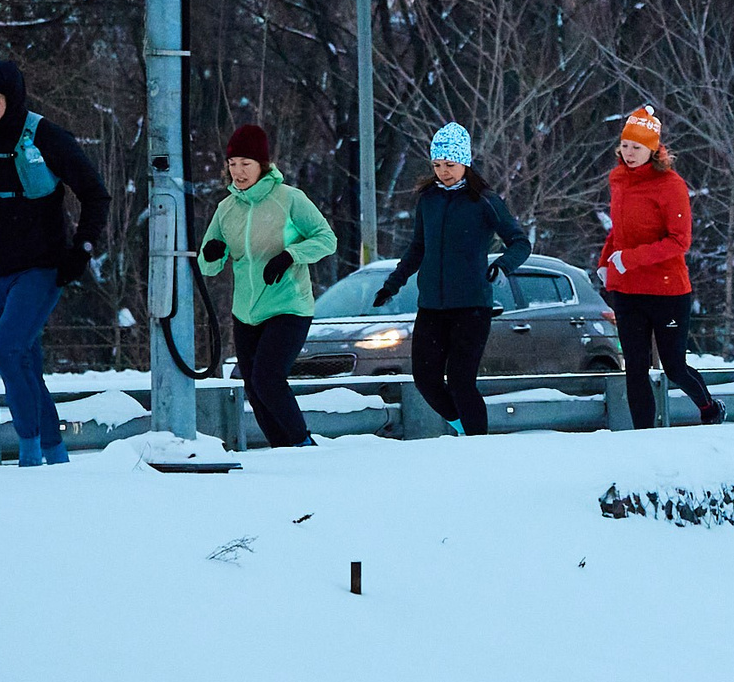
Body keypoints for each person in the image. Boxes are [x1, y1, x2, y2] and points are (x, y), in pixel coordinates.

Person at [0, 60, 111, 465]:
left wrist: (81, 250)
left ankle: (28, 456)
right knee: (25, 360)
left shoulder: (45, 136)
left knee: (7, 352)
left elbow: (95, 194)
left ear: (12, 96)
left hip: (41, 267)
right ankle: (55, 452)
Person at [373, 121, 531, 435]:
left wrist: (501, 267)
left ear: (465, 163)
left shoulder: (484, 201)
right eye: (437, 165)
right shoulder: (429, 200)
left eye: (450, 164)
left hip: (472, 306)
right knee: (425, 379)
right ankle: (463, 428)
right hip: (432, 306)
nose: (443, 171)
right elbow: (418, 248)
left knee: (461, 381)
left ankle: (478, 444)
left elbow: (521, 242)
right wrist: (393, 283)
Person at [196, 124, 335, 447]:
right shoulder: (226, 209)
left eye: (246, 164)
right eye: (232, 164)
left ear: (263, 165)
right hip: (246, 313)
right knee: (254, 387)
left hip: (289, 306)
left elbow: (327, 239)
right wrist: (212, 253)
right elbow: (208, 265)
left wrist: (290, 256)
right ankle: (282, 451)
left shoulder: (288, 199)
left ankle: (302, 443)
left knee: (267, 378)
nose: (238, 172)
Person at [596, 105, 722, 428]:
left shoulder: (670, 185)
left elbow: (679, 241)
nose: (629, 153)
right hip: (627, 290)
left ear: (652, 149)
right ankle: (644, 438)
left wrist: (629, 259)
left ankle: (709, 408)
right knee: (635, 368)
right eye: (625, 146)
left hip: (667, 290)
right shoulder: (618, 179)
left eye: (637, 148)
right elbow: (619, 229)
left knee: (674, 366)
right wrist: (606, 260)